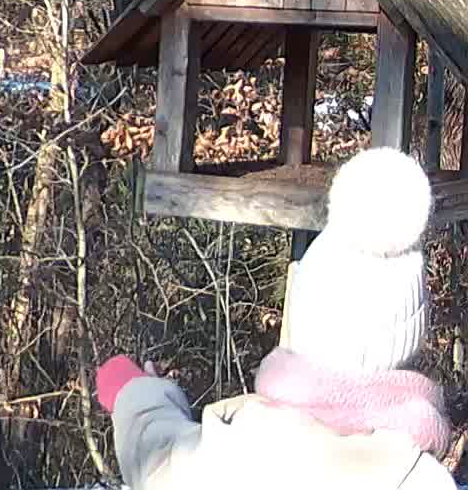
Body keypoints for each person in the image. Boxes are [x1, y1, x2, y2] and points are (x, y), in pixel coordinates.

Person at [96, 148, 456, 489]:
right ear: (410, 336)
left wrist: (134, 392)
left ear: (304, 314)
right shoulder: (421, 478)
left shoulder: (238, 451)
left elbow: (154, 453)